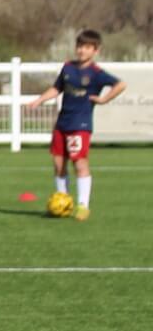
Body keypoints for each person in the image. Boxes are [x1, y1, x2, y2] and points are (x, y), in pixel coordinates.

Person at [25, 29, 125, 221]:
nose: (81, 50)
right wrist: (38, 101)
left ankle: (82, 206)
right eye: (79, 46)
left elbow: (120, 84)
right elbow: (57, 88)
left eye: (87, 47)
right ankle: (63, 201)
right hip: (62, 122)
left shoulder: (96, 73)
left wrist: (104, 99)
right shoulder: (68, 67)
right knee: (58, 163)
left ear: (96, 50)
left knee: (80, 163)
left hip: (80, 124)